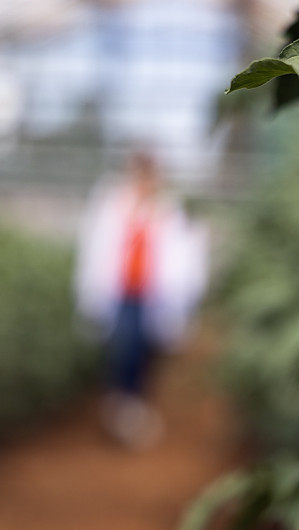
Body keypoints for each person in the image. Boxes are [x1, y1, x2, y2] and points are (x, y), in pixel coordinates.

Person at [75, 151, 208, 448]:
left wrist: (184, 297)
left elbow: (182, 256)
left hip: (153, 296)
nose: (146, 181)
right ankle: (122, 408)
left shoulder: (168, 210)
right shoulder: (112, 205)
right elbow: (96, 250)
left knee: (145, 352)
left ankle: (132, 410)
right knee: (123, 348)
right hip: (121, 293)